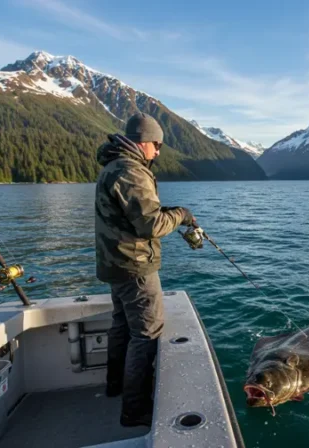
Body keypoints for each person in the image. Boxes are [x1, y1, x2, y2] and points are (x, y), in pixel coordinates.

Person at [94, 112, 195, 427]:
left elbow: (136, 214)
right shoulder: (131, 171)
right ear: (144, 142)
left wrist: (168, 212)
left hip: (115, 265)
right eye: (157, 145)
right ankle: (134, 409)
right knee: (146, 335)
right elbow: (151, 224)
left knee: (122, 327)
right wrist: (181, 214)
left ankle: (114, 386)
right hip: (135, 267)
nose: (159, 152)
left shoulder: (113, 166)